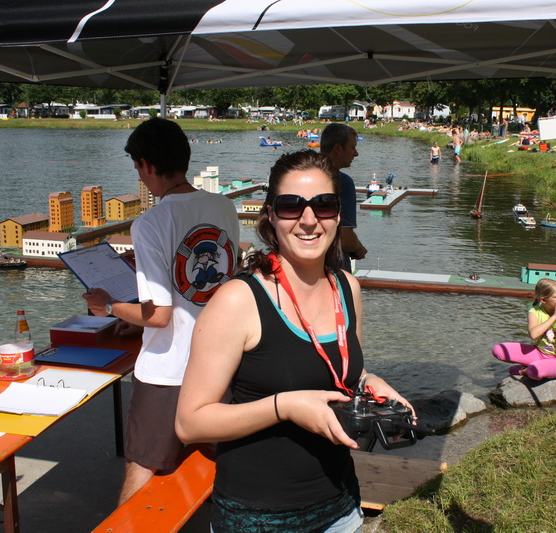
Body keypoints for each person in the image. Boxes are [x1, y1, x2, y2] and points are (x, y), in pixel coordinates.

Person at [176, 150, 411, 533]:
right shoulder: (238, 300)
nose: (308, 219)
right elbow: (189, 423)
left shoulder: (347, 288)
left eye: (324, 205)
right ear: (271, 215)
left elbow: (342, 372)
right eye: (291, 206)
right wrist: (283, 407)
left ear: (338, 215)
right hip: (256, 519)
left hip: (341, 508)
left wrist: (369, 382)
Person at [82, 118, 240, 505]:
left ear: (148, 165)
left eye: (138, 167)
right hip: (222, 364)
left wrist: (108, 306)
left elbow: (159, 315)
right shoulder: (224, 207)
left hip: (169, 371)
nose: (140, 176)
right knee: (225, 458)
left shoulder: (150, 222)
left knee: (143, 463)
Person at [491, 279, 556, 380]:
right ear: (543, 300)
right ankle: (536, 366)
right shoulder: (534, 312)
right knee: (499, 350)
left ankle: (525, 370)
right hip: (539, 352)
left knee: (535, 371)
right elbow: (533, 335)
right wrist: (554, 316)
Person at [320, 123, 367, 272]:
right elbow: (344, 237)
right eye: (352, 148)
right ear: (338, 149)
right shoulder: (343, 182)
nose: (356, 154)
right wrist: (359, 248)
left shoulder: (300, 175)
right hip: (334, 270)